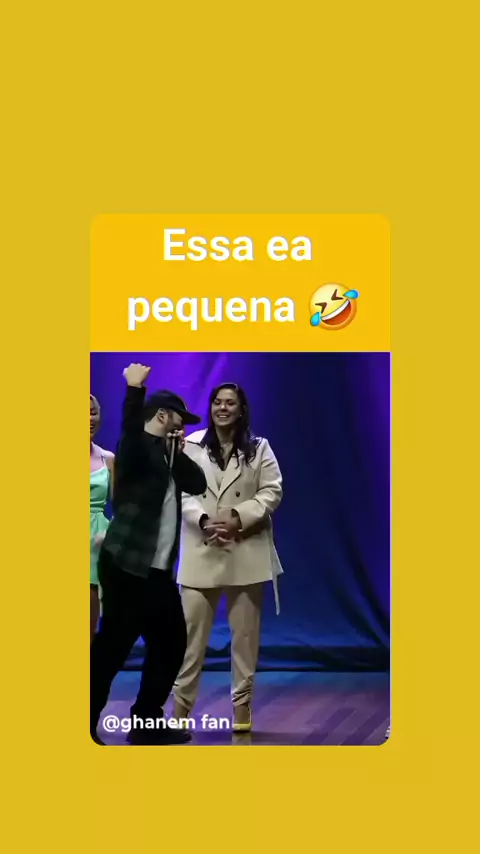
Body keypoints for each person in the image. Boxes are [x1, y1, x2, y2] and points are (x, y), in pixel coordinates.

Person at [90, 364, 207, 745]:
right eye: (178, 418)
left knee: (171, 643)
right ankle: (82, 721)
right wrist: (134, 389)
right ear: (162, 415)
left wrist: (177, 452)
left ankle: (146, 723)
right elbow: (130, 429)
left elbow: (197, 483)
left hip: (156, 573)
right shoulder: (136, 448)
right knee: (113, 647)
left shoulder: (165, 453)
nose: (183, 425)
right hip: (127, 566)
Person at [173, 382, 283, 733]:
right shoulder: (191, 445)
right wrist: (204, 520)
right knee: (189, 639)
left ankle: (241, 706)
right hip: (201, 547)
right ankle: (180, 710)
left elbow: (272, 490)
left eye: (230, 403)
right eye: (217, 402)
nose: (223, 408)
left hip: (245, 549)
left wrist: (238, 517)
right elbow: (179, 491)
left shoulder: (259, 448)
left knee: (245, 638)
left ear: (241, 409)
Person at [90, 395, 114, 643]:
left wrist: (110, 531)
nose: (89, 418)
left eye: (92, 412)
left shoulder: (108, 459)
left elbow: (122, 507)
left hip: (95, 544)